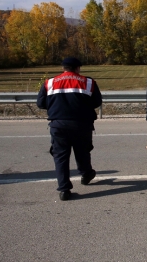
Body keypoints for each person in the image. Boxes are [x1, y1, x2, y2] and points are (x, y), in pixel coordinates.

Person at [37, 57, 102, 201]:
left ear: (63, 68)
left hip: (58, 124)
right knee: (83, 152)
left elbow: (41, 104)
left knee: (60, 156)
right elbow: (97, 102)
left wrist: (56, 106)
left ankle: (64, 189)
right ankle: (86, 173)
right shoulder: (88, 82)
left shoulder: (50, 82)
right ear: (78, 68)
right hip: (82, 124)